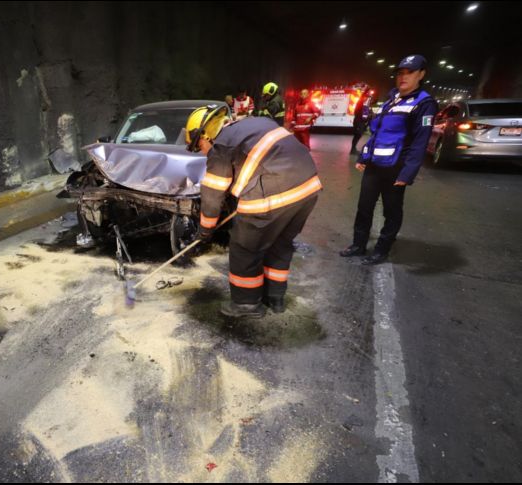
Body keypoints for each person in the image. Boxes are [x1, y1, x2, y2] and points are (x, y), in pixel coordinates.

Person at [185, 105, 322, 317]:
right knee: (280, 244)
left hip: (274, 193)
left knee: (244, 248)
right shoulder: (252, 124)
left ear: (205, 135)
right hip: (308, 188)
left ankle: (246, 304)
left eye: (198, 146)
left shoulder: (221, 145)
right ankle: (275, 297)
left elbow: (212, 196)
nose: (202, 151)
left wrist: (205, 230)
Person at [340, 55, 437, 265]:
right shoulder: (392, 99)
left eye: (409, 72)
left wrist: (408, 172)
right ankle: (358, 244)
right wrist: (365, 156)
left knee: (391, 211)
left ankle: (382, 250)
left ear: (421, 74)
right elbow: (377, 132)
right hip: (374, 165)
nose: (403, 77)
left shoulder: (424, 103)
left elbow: (421, 141)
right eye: (400, 73)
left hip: (396, 166)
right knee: (364, 206)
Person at [350, 87, 372, 154]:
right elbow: (363, 112)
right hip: (359, 121)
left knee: (358, 135)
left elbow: (366, 111)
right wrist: (367, 117)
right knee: (357, 135)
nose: (370, 95)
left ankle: (353, 149)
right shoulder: (363, 101)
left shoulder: (364, 101)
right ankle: (353, 150)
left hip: (360, 121)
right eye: (369, 93)